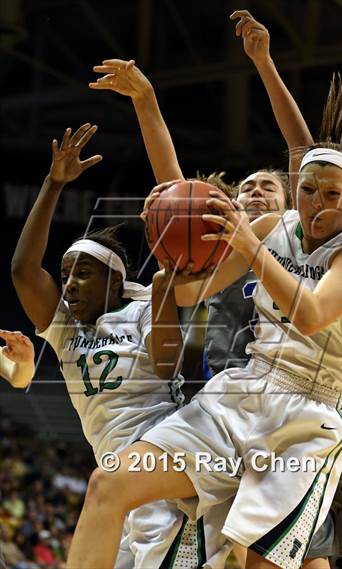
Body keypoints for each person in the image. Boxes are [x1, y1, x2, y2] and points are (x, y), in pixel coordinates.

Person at [90, 11, 342, 569]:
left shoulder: (298, 231)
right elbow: (172, 182)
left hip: (319, 401)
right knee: (277, 555)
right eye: (243, 191)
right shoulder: (216, 245)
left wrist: (264, 63)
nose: (256, 193)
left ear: (291, 196)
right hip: (241, 401)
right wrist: (146, 101)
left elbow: (307, 153)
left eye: (269, 186)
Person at [10, 123, 223, 569]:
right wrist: (53, 184)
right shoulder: (66, 331)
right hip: (117, 475)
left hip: (161, 458)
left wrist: (164, 288)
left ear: (115, 281)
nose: (69, 284)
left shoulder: (143, 306)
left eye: (82, 273)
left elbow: (167, 365)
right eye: (66, 274)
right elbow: (24, 272)